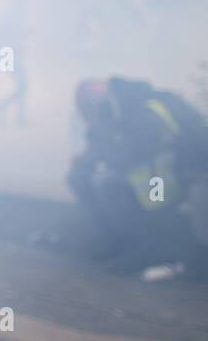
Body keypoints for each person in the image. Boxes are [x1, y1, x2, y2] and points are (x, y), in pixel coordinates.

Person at [69, 77, 208, 272]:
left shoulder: (141, 108)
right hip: (168, 171)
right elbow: (110, 147)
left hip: (178, 175)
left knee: (109, 185)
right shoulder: (127, 104)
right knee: (86, 178)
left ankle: (144, 250)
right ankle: (116, 243)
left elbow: (138, 153)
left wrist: (107, 159)